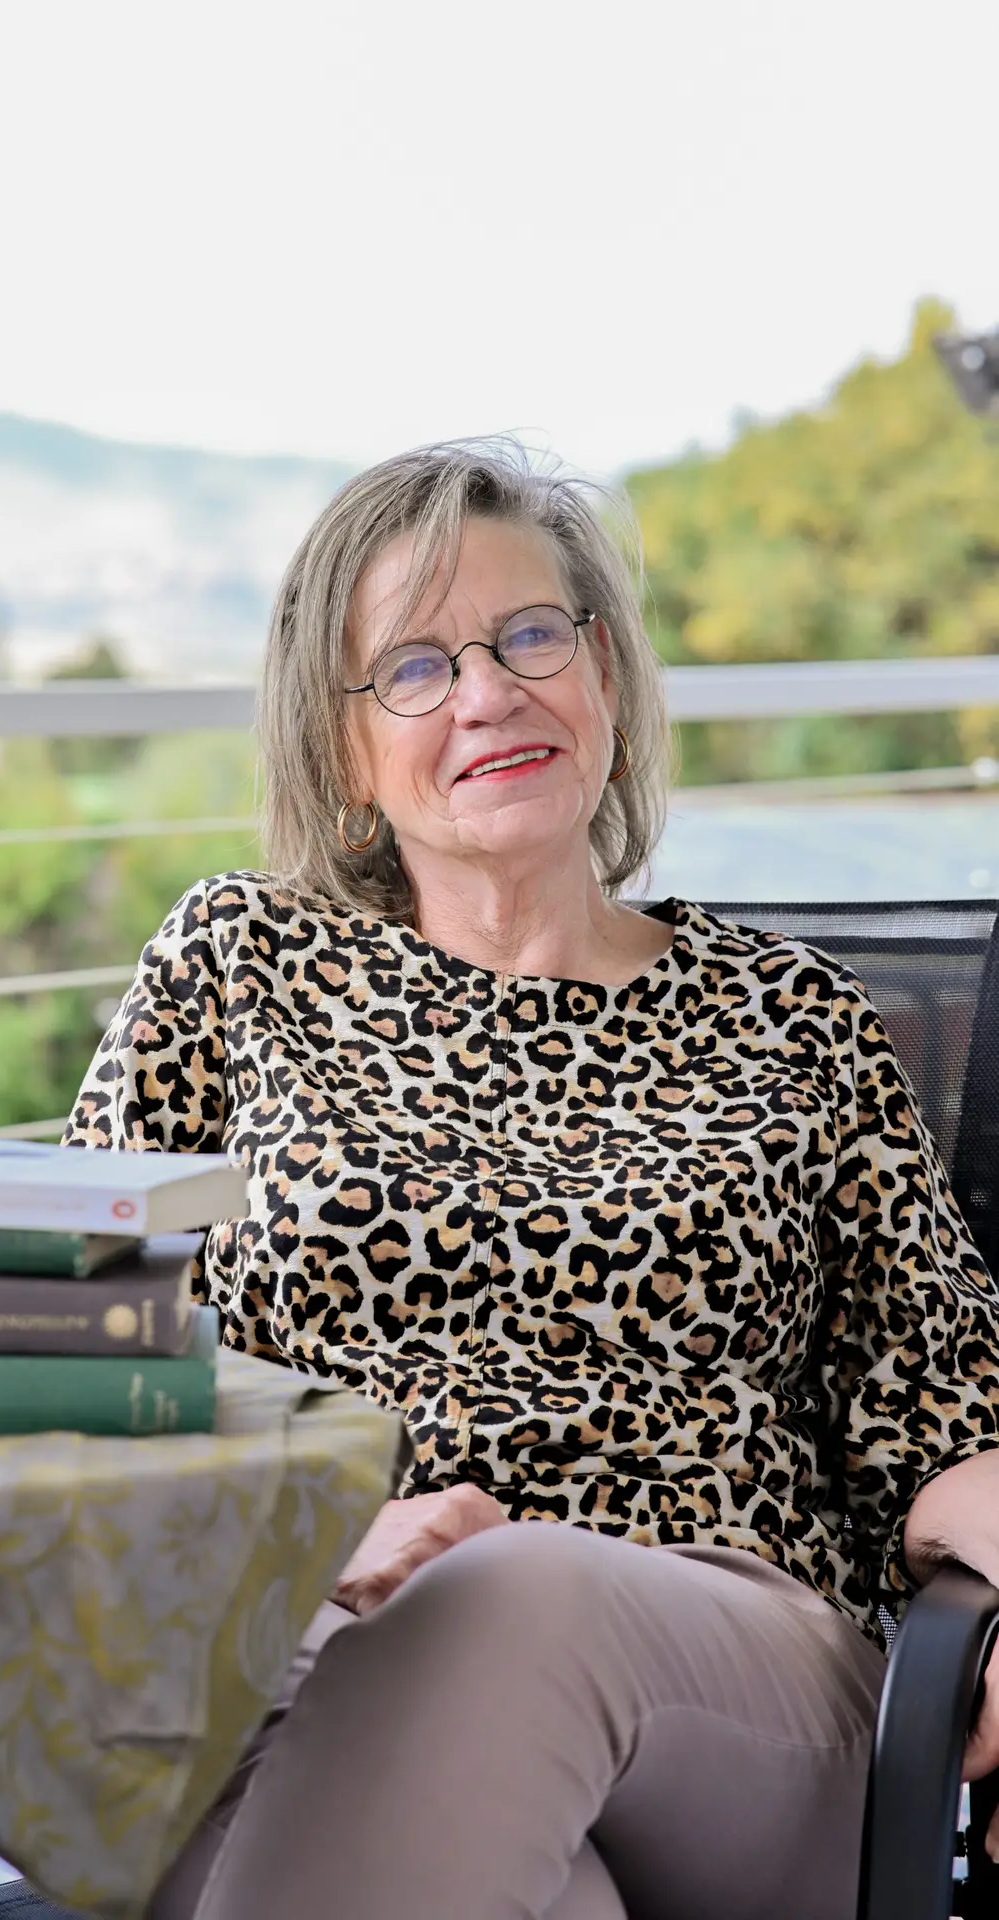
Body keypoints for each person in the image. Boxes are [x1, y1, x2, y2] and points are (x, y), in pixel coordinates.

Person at [64, 440, 999, 1920]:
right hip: (298, 1655)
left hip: (725, 1680)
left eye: (528, 637)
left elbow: (945, 1413)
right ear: (342, 743)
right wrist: (300, 1540)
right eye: (415, 668)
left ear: (607, 679)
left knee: (503, 1598)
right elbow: (87, 1348)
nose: (489, 692)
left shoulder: (795, 1018)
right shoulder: (235, 963)